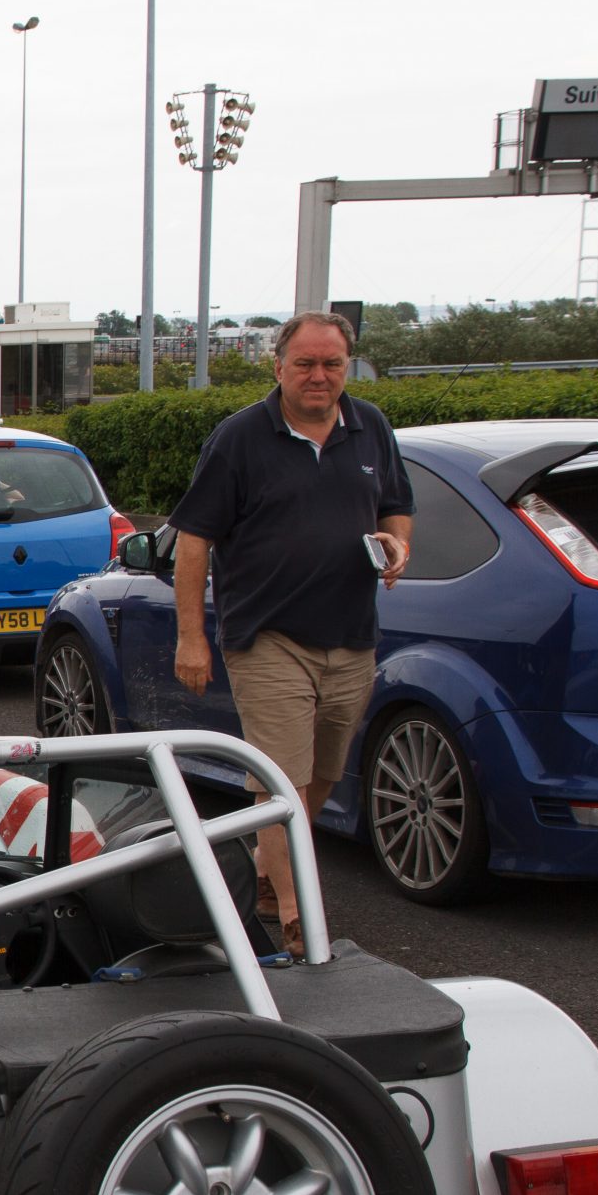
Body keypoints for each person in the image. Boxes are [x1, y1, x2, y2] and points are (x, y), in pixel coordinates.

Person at [167, 310, 412, 955]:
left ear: (346, 367)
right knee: (285, 781)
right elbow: (194, 541)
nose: (318, 376)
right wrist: (190, 636)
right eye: (304, 363)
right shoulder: (241, 438)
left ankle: (268, 877)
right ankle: (300, 920)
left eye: (331, 363)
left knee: (324, 774)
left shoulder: (371, 429)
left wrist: (398, 543)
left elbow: (397, 505)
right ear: (278, 366)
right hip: (268, 636)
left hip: (352, 634)